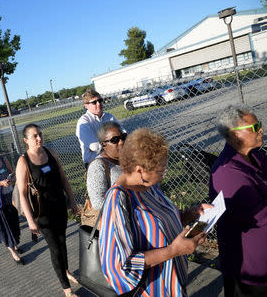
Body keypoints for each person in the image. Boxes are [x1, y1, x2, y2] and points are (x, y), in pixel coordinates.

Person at [99, 128, 212, 296]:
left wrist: (191, 213)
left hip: (173, 285)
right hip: (152, 290)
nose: (163, 175)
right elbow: (118, 266)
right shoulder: (118, 200)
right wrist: (173, 251)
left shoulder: (148, 186)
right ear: (139, 170)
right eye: (160, 171)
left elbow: (157, 225)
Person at [209, 105, 266, 297]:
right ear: (234, 136)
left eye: (259, 125)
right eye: (254, 127)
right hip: (250, 270)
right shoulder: (227, 171)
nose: (261, 130)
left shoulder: (256, 154)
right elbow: (259, 217)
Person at [16, 124, 79, 296]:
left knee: (62, 242)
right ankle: (66, 288)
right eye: (34, 136)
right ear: (26, 140)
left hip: (59, 206)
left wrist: (72, 201)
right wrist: (30, 219)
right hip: (42, 213)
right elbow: (22, 193)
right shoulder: (23, 161)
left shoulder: (51, 153)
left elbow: (63, 178)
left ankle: (65, 271)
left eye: (40, 134)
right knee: (55, 248)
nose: (39, 138)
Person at [76, 88, 124, 168]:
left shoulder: (109, 117)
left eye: (100, 100)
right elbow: (95, 146)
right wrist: (114, 142)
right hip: (95, 164)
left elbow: (123, 134)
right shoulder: (83, 122)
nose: (99, 104)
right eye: (94, 102)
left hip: (114, 160)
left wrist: (105, 144)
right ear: (86, 106)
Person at [87, 121, 125, 210]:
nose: (121, 142)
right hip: (118, 220)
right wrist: (130, 201)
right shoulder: (98, 166)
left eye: (123, 137)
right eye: (114, 140)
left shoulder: (129, 158)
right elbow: (98, 203)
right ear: (103, 145)